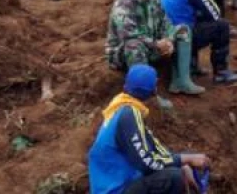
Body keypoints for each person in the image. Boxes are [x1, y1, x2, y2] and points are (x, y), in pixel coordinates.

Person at [87, 64, 211, 194]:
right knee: (175, 177)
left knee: (186, 159)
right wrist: (183, 160)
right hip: (116, 190)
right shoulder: (129, 115)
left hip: (125, 181)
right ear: (154, 90)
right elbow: (146, 163)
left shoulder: (123, 107)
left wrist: (183, 162)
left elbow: (154, 149)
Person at [105, 0, 181, 108]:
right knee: (134, 45)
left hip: (151, 46)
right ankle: (147, 95)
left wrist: (169, 40)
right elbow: (129, 35)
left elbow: (166, 22)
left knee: (183, 31)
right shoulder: (124, 4)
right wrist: (157, 44)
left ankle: (181, 80)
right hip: (122, 52)